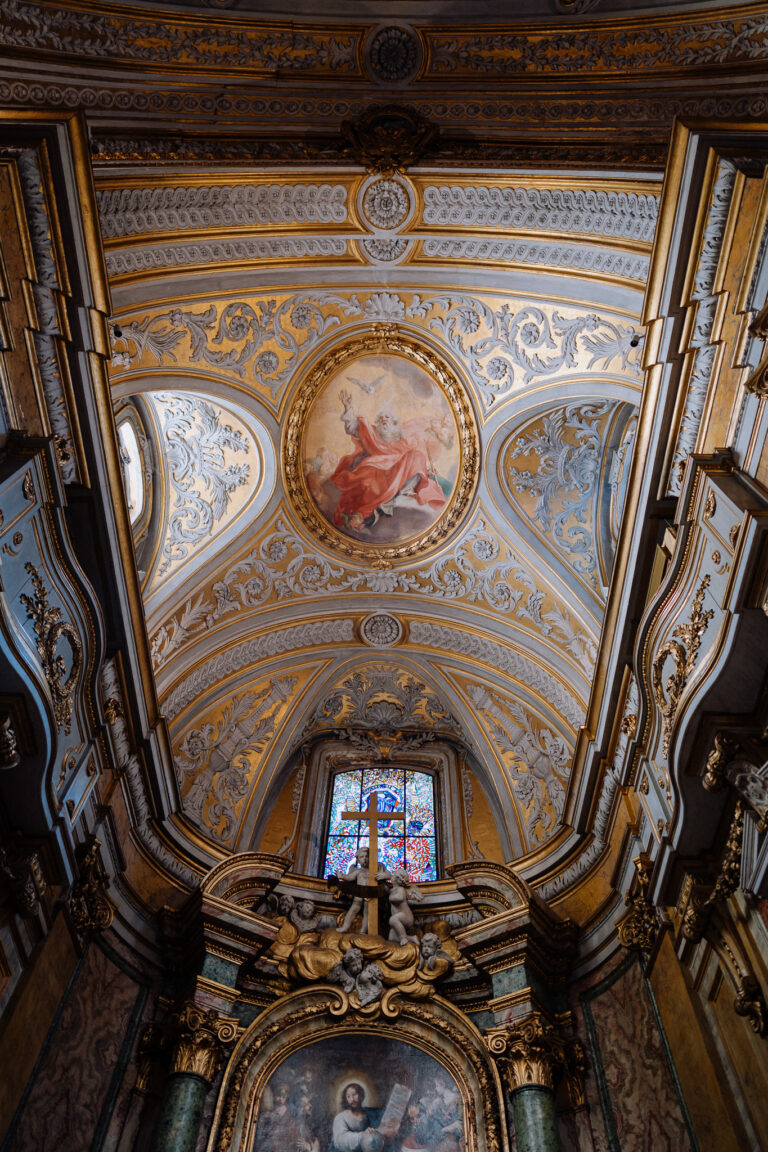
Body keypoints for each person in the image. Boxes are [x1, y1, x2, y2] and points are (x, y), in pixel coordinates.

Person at [329, 391, 447, 532]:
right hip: (375, 468)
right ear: (378, 423)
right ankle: (389, 494)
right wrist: (348, 407)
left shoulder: (401, 441)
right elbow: (353, 428)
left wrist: (426, 470)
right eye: (381, 418)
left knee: (417, 456)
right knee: (370, 480)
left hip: (397, 470)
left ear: (393, 423)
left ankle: (400, 491)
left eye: (388, 417)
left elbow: (409, 458)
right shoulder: (372, 432)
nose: (384, 420)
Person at [330, 1083, 397, 1152]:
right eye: (348, 1096)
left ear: (362, 1096)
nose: (352, 1099)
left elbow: (391, 1113)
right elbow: (340, 1140)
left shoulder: (371, 1113)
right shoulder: (340, 1117)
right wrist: (362, 1136)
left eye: (354, 1094)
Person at [254, 1083, 300, 1152]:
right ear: (274, 1095)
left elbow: (295, 1137)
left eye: (283, 1096)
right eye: (279, 1095)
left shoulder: (290, 1119)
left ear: (286, 1098)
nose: (281, 1099)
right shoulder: (268, 1112)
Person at [339, 847, 371, 933]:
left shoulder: (372, 871)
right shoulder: (358, 871)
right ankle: (345, 927)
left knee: (367, 912)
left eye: (366, 856)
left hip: (369, 894)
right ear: (358, 859)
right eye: (362, 857)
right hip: (359, 893)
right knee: (353, 909)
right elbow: (350, 878)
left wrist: (385, 875)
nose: (364, 859)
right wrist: (342, 876)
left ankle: (363, 931)